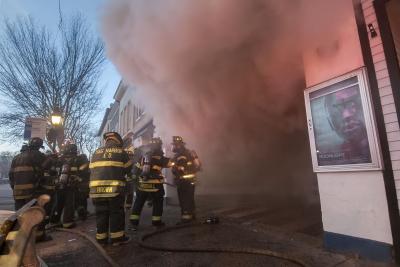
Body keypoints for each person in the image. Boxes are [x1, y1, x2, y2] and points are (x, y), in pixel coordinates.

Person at [89, 132, 132, 246]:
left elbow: (91, 170)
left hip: (96, 191)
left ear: (107, 140)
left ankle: (101, 240)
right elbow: (129, 169)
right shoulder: (121, 152)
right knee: (115, 213)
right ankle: (117, 239)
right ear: (118, 141)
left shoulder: (96, 152)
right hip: (114, 191)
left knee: (101, 214)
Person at [130, 137, 170, 230]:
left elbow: (136, 168)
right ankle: (156, 222)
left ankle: (134, 222)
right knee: (157, 203)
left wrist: (135, 178)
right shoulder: (160, 156)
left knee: (138, 202)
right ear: (159, 145)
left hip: (142, 184)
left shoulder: (143, 156)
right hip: (156, 185)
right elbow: (169, 164)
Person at [52, 143, 86, 228]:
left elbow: (53, 171)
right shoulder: (77, 159)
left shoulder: (60, 159)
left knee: (58, 203)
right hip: (71, 185)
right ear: (75, 150)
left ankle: (54, 220)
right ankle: (68, 222)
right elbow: (83, 171)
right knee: (69, 203)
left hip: (59, 185)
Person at [171, 136, 201, 223]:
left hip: (184, 181)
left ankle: (186, 217)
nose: (173, 147)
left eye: (174, 145)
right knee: (190, 198)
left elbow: (180, 169)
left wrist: (175, 169)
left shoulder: (181, 156)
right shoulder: (188, 152)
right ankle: (192, 215)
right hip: (191, 180)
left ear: (178, 145)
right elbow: (197, 166)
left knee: (184, 199)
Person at [9, 138, 45, 210]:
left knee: (19, 212)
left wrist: (14, 187)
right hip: (31, 191)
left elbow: (10, 175)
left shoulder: (16, 157)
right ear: (39, 146)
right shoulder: (37, 155)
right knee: (30, 212)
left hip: (17, 191)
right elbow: (43, 170)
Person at [75, 153, 90, 220]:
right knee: (83, 198)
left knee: (80, 199)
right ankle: (83, 212)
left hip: (80, 182)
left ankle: (81, 213)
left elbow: (78, 171)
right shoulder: (86, 163)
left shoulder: (78, 162)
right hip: (85, 182)